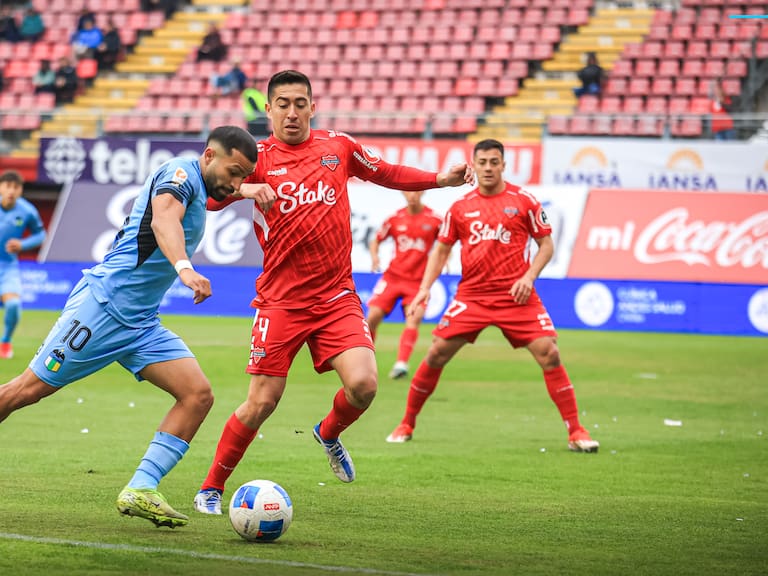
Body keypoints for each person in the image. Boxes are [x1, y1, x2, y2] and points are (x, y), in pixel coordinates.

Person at [192, 69, 474, 515]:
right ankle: (210, 487)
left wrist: (441, 179)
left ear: (313, 107)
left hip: (336, 295)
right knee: (261, 402)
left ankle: (328, 432)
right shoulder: (256, 156)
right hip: (281, 300)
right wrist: (246, 187)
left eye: (299, 103)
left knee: (364, 385)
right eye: (282, 104)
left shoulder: (336, 147)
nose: (291, 112)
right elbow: (207, 193)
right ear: (267, 110)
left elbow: (388, 172)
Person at [0, 126, 258, 528]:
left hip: (140, 322)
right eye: (235, 171)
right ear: (209, 156)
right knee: (24, 391)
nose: (237, 181)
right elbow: (163, 221)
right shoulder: (178, 174)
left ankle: (142, 487)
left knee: (197, 394)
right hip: (103, 307)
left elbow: (209, 197)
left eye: (244, 176)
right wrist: (185, 268)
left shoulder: (200, 184)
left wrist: (244, 191)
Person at [385, 139, 600, 454]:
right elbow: (441, 249)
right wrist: (424, 288)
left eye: (494, 162)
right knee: (436, 354)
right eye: (482, 162)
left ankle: (576, 430)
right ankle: (406, 423)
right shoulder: (460, 207)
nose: (488, 167)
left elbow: (547, 245)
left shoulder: (524, 201)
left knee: (549, 353)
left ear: (503, 165)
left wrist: (529, 277)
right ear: (473, 165)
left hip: (516, 296)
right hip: (472, 297)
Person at [366, 190, 443, 380]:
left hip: (418, 281)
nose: (413, 195)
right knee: (371, 318)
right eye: (409, 191)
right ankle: (366, 362)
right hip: (392, 277)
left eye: (417, 191)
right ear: (402, 193)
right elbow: (375, 240)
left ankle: (401, 364)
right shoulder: (394, 219)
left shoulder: (435, 220)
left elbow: (445, 244)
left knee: (413, 319)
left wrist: (445, 260)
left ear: (423, 192)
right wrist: (375, 257)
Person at [0, 170, 46, 360]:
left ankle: (5, 341)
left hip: (7, 267)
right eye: (8, 186)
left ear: (20, 190)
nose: (11, 191)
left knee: (13, 304)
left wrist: (22, 244)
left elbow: (40, 235)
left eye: (16, 187)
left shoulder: (27, 211)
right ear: (1, 187)